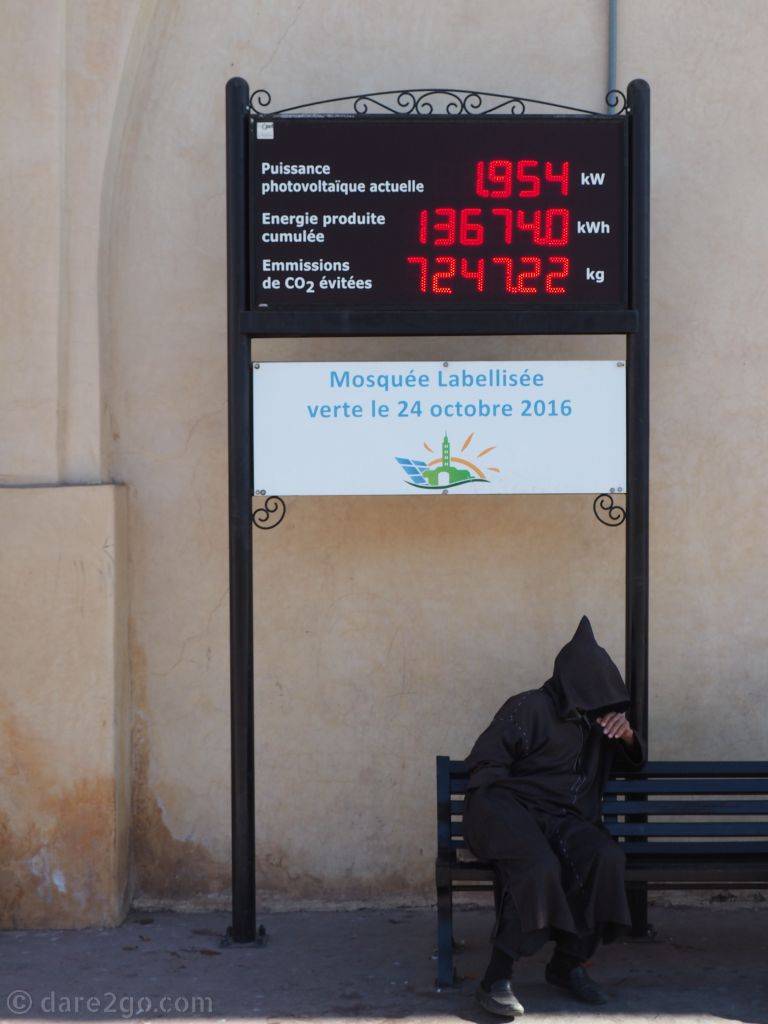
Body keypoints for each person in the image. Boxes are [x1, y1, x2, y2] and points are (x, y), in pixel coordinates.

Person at [464, 616, 645, 1017]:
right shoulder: (528, 707)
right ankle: (494, 979)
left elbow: (631, 768)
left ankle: (568, 964)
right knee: (536, 863)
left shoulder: (601, 724)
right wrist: (508, 812)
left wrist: (628, 735)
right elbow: (486, 767)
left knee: (605, 858)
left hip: (564, 819)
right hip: (505, 810)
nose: (599, 705)